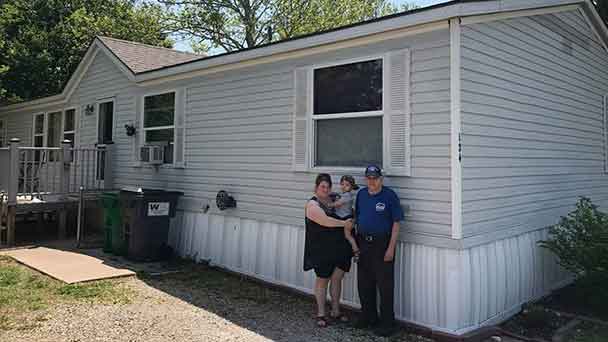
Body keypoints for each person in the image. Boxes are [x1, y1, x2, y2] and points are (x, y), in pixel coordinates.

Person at [353, 165, 404, 337]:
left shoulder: (389, 196)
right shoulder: (361, 195)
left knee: (385, 285)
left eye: (374, 178)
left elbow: (397, 223)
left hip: (382, 244)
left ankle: (387, 323)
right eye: (369, 178)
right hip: (363, 243)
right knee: (364, 283)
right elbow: (356, 217)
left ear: (380, 179)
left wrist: (391, 248)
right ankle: (368, 317)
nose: (371, 181)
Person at [303, 173, 354, 328]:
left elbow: (347, 204)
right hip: (321, 249)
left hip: (338, 248)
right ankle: (321, 314)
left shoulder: (334, 199)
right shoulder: (312, 205)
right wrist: (344, 223)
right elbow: (326, 221)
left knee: (337, 278)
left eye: (328, 186)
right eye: (322, 186)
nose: (325, 189)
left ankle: (335, 311)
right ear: (316, 188)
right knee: (322, 280)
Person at [328, 175, 360, 261]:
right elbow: (337, 197)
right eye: (342, 184)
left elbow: (338, 204)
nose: (344, 186)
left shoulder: (348, 196)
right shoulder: (343, 194)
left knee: (348, 236)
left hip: (346, 218)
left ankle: (356, 251)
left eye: (347, 185)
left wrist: (328, 205)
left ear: (351, 186)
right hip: (341, 217)